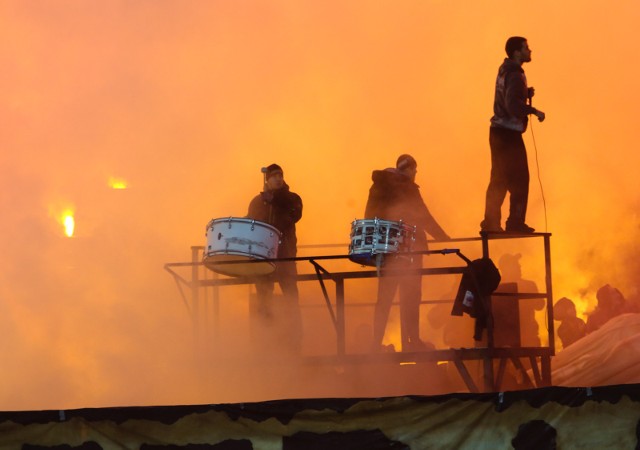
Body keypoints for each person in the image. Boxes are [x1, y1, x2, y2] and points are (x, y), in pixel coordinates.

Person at [365, 154, 450, 352]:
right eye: (415, 169)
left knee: (384, 298)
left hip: (386, 250)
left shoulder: (379, 185)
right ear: (410, 169)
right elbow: (424, 216)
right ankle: (412, 341)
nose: (416, 173)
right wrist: (444, 238)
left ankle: (375, 344)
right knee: (411, 296)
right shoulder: (408, 188)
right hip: (409, 250)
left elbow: (369, 214)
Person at [480, 36, 546, 234]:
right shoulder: (515, 74)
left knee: (499, 178)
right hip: (508, 134)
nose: (530, 50)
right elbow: (512, 105)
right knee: (519, 179)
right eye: (526, 48)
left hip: (498, 132)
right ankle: (515, 222)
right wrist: (534, 111)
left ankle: (490, 223)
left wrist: (524, 92)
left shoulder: (505, 69)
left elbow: (508, 95)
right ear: (517, 52)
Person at [247, 164, 303, 347]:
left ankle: (295, 337)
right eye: (274, 176)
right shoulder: (258, 201)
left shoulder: (292, 198)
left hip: (285, 255)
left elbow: (295, 215)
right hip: (263, 256)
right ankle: (265, 338)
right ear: (267, 180)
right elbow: (250, 223)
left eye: (281, 175)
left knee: (290, 296)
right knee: (263, 296)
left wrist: (276, 201)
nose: (278, 178)